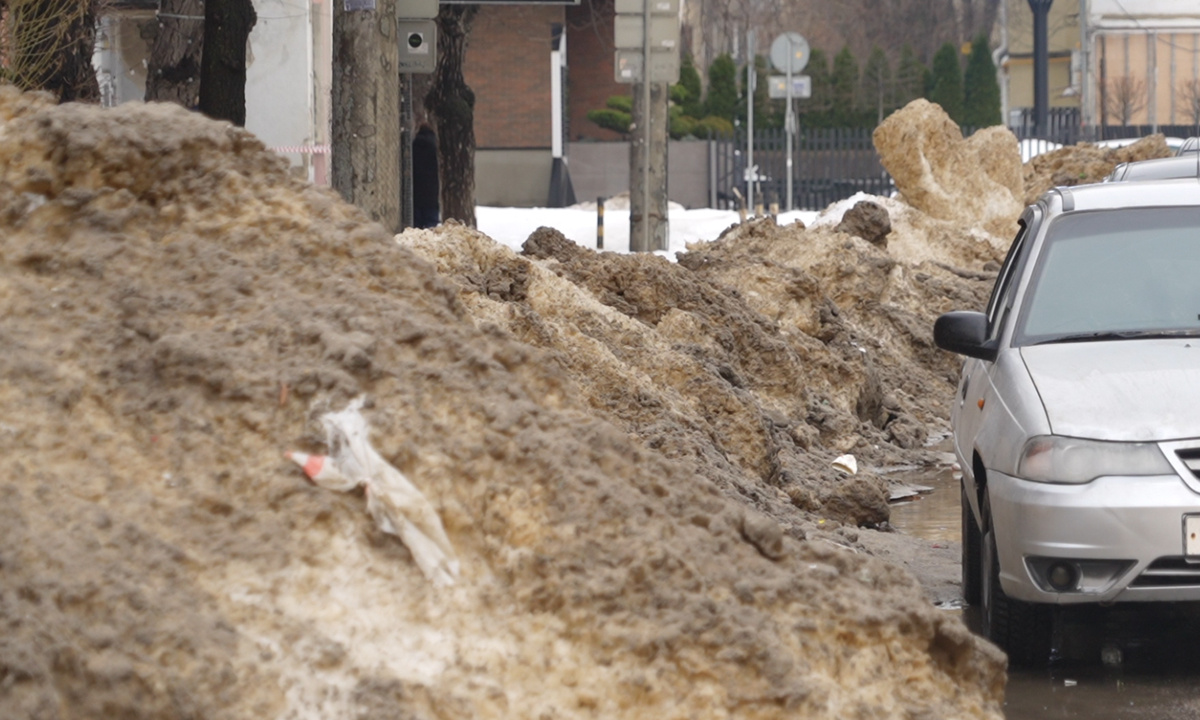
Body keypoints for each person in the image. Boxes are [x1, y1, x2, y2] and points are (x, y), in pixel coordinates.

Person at [412, 124, 440, 229]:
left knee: (416, 225)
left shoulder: (413, 148)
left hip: (415, 194)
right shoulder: (434, 150)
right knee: (431, 226)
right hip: (431, 196)